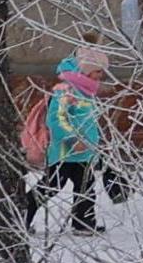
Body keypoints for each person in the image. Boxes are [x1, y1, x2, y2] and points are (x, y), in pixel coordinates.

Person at [28, 47, 118, 236]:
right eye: (98, 71)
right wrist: (72, 140)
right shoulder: (66, 90)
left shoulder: (85, 91)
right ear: (86, 69)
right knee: (51, 186)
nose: (101, 76)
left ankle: (84, 223)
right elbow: (56, 120)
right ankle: (22, 215)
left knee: (86, 187)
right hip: (65, 152)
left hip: (84, 151)